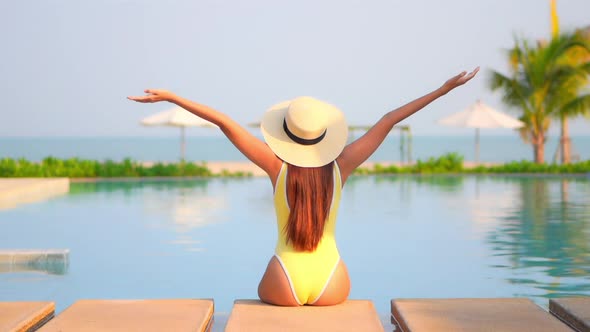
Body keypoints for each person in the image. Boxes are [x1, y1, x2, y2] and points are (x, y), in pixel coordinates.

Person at [128, 67, 479, 306]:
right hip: (333, 280)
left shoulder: (275, 166)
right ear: (324, 137)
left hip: (285, 279)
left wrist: (173, 97)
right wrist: (444, 90)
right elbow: (389, 120)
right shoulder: (342, 166)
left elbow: (223, 122)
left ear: (285, 133)